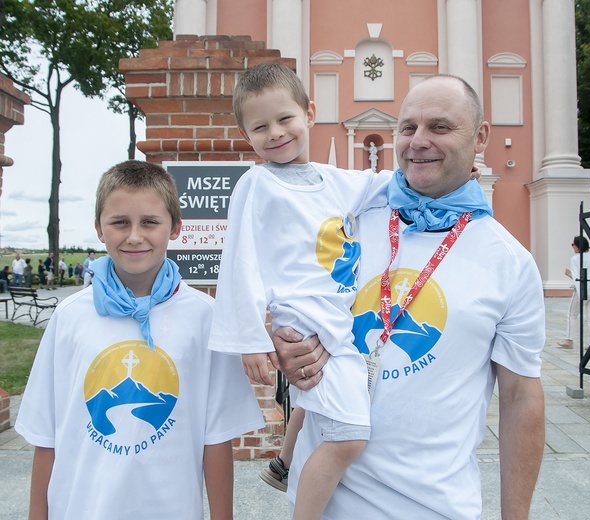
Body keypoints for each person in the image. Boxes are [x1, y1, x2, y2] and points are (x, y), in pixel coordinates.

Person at [272, 75, 546, 519]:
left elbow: (521, 398)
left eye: (440, 127)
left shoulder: (509, 261)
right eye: (407, 128)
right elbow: (294, 299)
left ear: (480, 137)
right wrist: (286, 340)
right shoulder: (350, 221)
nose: (418, 142)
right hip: (320, 499)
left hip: (431, 506)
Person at [15, 160, 264, 520]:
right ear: (99, 228)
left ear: (175, 227)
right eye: (119, 222)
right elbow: (46, 437)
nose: (134, 236)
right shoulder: (69, 317)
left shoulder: (206, 318)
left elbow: (217, 438)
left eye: (149, 222)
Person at [207, 62, 388, 520]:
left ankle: (285, 464)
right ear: (247, 136)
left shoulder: (335, 179)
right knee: (348, 434)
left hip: (339, 319)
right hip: (304, 320)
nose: (275, 133)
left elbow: (385, 185)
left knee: (326, 412)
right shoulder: (258, 184)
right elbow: (240, 259)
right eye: (260, 127)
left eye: (285, 118)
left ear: (310, 111)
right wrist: (249, 337)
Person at [558, 235, 590, 349]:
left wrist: (569, 274)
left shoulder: (575, 259)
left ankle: (569, 339)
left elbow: (578, 277)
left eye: (573, 245)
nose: (572, 247)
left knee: (572, 314)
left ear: (577, 246)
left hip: (582, 290)